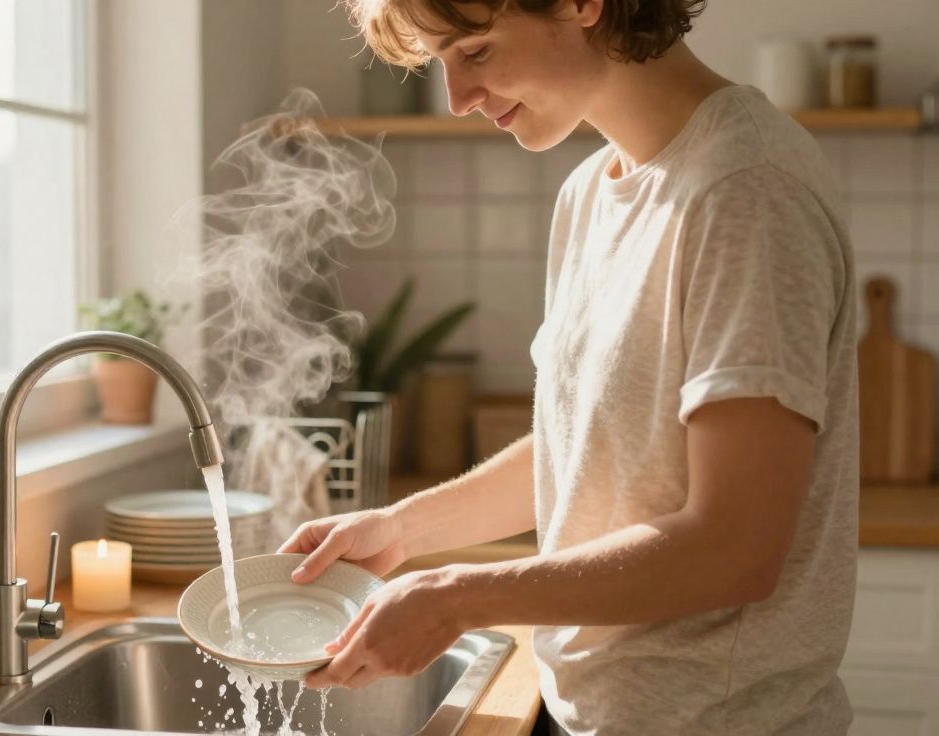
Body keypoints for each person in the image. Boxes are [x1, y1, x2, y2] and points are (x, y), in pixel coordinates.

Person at [280, 0, 859, 733]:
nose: (458, 100)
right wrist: (401, 530)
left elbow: (734, 547)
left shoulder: (746, 189)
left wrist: (457, 596)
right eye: (442, 64)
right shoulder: (590, 192)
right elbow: (591, 449)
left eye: (478, 52)